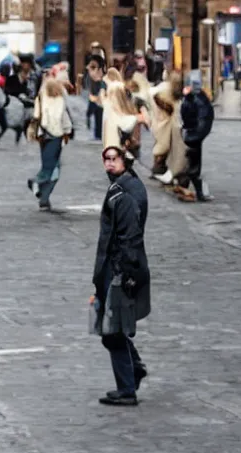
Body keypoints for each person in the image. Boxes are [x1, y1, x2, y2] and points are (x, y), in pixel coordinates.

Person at [92, 145, 150, 407]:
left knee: (112, 330)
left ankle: (127, 387)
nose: (108, 164)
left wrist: (123, 274)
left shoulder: (125, 194)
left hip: (119, 271)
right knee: (111, 329)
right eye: (106, 160)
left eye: (113, 160)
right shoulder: (123, 187)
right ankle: (134, 369)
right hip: (114, 269)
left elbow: (129, 239)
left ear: (125, 161)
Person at [28, 76, 73, 211]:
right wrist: (67, 132)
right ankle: (36, 183)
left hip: (44, 136)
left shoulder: (40, 99)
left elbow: (36, 116)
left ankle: (44, 198)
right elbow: (64, 119)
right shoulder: (61, 101)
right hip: (57, 136)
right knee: (53, 169)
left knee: (48, 165)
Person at [176, 72, 214, 202]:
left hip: (192, 135)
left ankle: (187, 189)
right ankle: (190, 190)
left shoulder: (194, 98)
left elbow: (201, 119)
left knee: (192, 164)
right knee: (192, 165)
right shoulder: (197, 98)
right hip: (193, 135)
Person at [86, 57, 105, 140]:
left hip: (99, 99)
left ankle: (99, 133)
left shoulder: (99, 78)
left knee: (99, 116)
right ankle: (98, 133)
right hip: (94, 98)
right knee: (96, 115)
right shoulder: (90, 77)